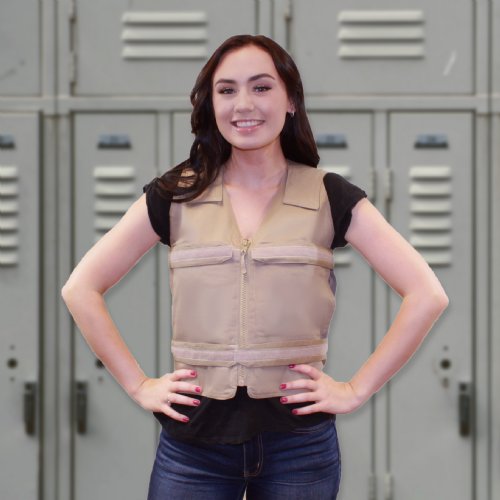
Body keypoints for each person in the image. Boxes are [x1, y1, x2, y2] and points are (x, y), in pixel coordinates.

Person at [61, 34, 448, 499]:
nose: (243, 104)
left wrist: (355, 389)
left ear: (290, 100)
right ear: (210, 104)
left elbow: (427, 294)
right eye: (226, 90)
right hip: (193, 447)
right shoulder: (175, 194)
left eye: (261, 87)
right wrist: (139, 385)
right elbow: (80, 288)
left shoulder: (329, 195)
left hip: (299, 446)